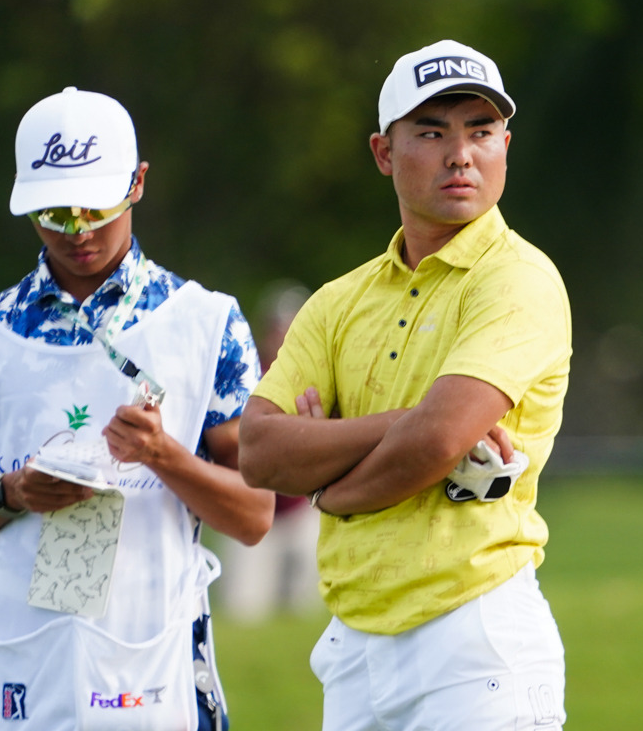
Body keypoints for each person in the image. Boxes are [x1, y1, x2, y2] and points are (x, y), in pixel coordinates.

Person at [0, 86, 274, 730]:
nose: (77, 231)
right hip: (14, 673)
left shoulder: (205, 323)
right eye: (54, 213)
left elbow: (254, 514)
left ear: (137, 183)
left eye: (95, 207)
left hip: (152, 667)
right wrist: (12, 493)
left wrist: (163, 456)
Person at [239, 39, 571, 730]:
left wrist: (332, 484)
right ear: (384, 154)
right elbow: (260, 451)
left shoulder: (520, 280)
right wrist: (400, 425)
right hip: (354, 647)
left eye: (481, 132)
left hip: (477, 641)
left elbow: (442, 439)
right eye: (431, 132)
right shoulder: (336, 300)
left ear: (506, 145)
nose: (461, 155)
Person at [216, 280, 323, 623]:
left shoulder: (321, 373)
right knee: (245, 610)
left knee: (308, 610)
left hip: (305, 506)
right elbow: (228, 439)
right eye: (279, 328)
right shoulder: (248, 374)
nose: (284, 336)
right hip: (254, 505)